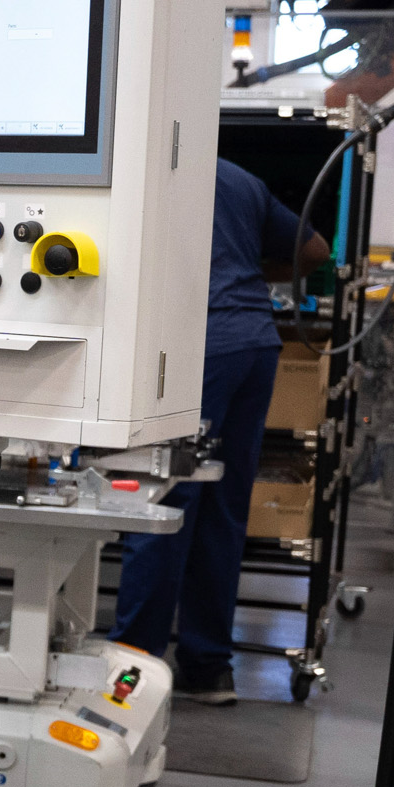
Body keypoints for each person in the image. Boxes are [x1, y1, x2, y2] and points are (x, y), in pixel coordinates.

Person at [110, 157, 331, 704]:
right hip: (254, 344)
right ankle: (208, 667)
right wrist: (253, 278)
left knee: (160, 500)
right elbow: (315, 251)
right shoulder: (238, 175)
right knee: (220, 507)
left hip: (199, 347)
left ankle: (133, 666)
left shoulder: (148, 165)